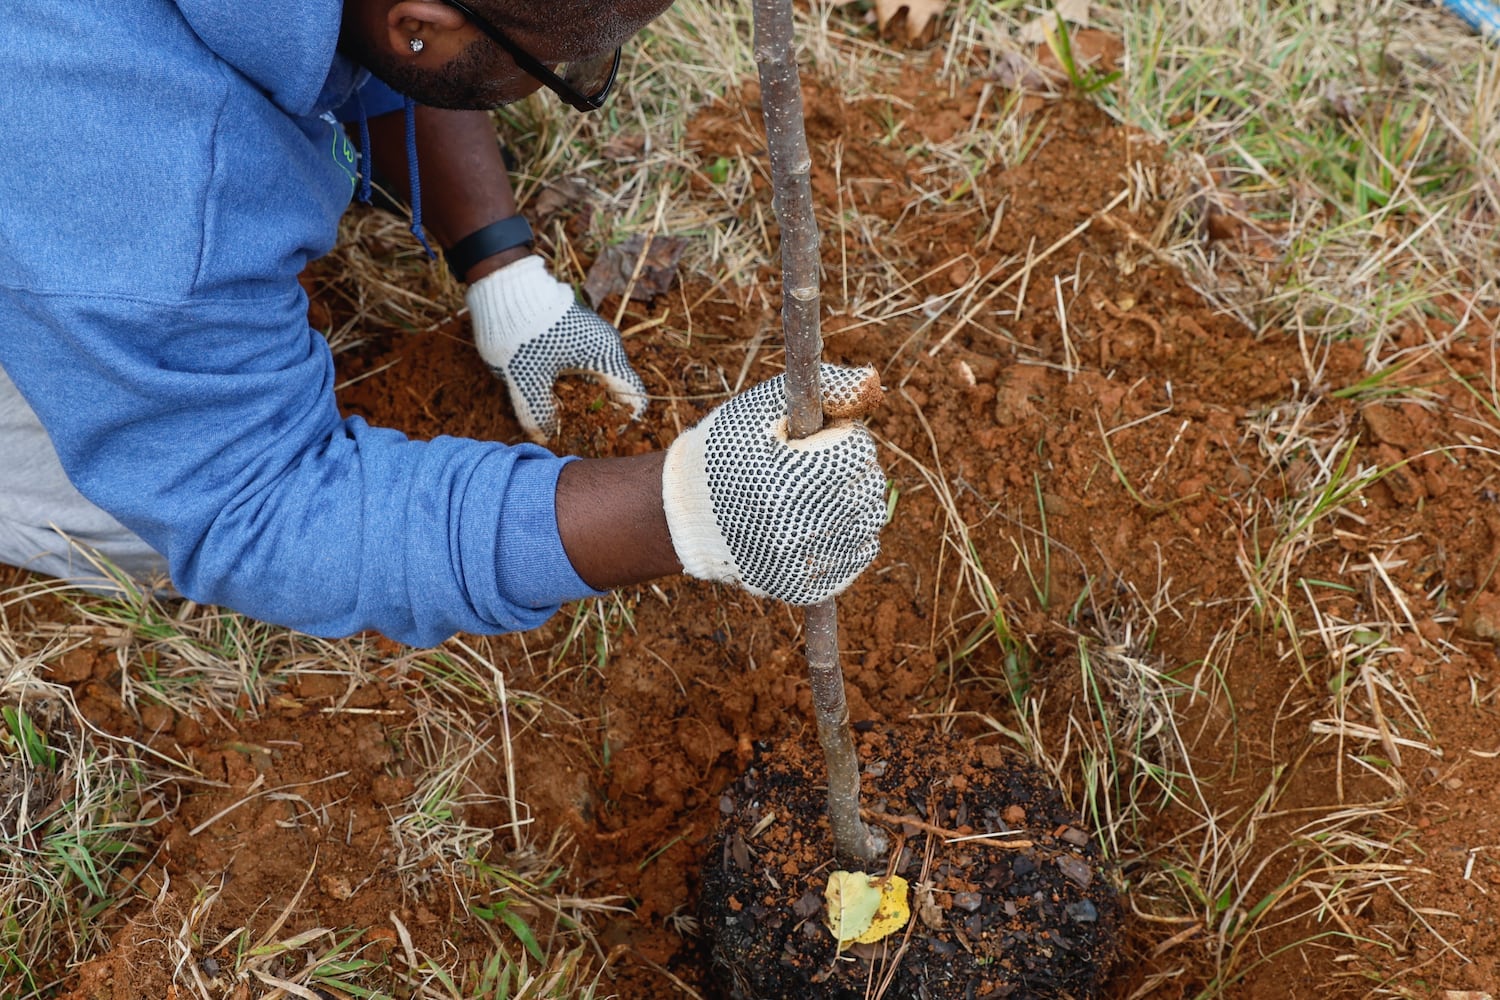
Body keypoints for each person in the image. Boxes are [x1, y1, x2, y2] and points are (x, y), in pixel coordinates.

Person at [0, 0, 887, 648]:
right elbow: (255, 509)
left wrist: (506, 270)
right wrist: (681, 511)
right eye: (566, 69)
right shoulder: (146, 200)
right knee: (124, 519)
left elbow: (377, 38)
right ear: (417, 23)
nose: (581, 79)